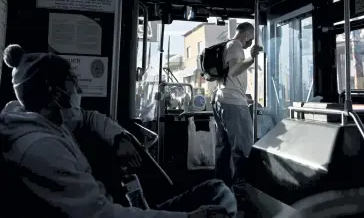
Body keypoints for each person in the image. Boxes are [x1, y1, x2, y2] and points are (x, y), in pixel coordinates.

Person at [0, 44, 237, 218]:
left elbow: (91, 117)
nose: (78, 88)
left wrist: (118, 137)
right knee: (217, 201)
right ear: (54, 92)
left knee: (214, 189)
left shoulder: (44, 119)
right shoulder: (41, 149)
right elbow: (101, 214)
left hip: (111, 207)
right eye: (72, 82)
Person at [212, 23, 261, 200]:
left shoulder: (227, 46)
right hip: (233, 102)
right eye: (252, 36)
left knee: (224, 148)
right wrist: (251, 58)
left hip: (221, 99)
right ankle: (241, 193)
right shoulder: (235, 46)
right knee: (242, 148)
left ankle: (221, 190)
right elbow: (234, 71)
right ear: (247, 33)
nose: (252, 40)